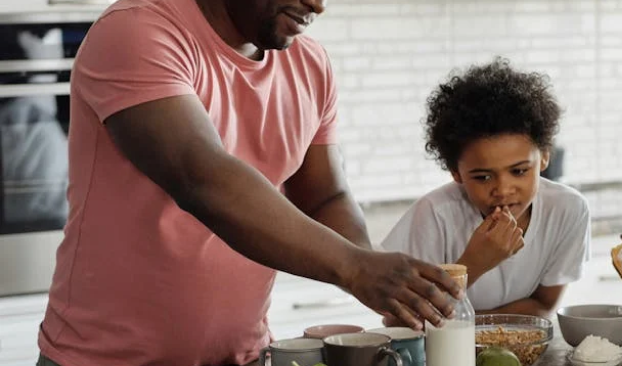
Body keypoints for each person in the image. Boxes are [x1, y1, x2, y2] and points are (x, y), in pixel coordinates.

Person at [37, 0, 460, 365]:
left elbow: (325, 196)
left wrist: (382, 279)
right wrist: (354, 268)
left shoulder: (309, 64)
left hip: (245, 356)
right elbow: (201, 179)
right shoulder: (138, 31)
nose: (317, 5)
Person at [378, 58, 591, 318]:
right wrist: (474, 263)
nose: (502, 189)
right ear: (456, 172)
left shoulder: (568, 210)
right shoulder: (434, 215)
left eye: (519, 171)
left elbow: (543, 305)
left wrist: (472, 326)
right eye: (483, 177)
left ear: (545, 156)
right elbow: (399, 319)